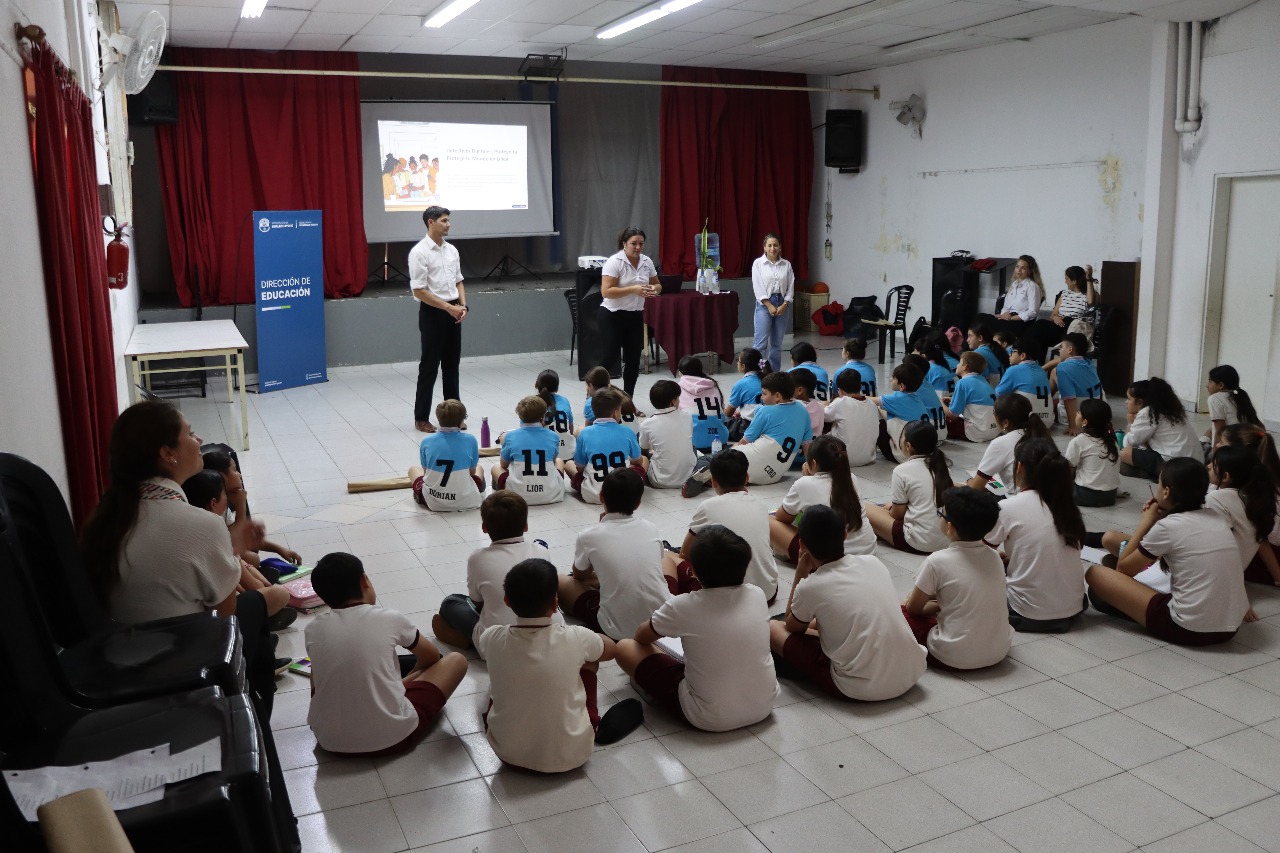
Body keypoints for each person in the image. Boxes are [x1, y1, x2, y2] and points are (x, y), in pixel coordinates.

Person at [79, 401, 288, 711]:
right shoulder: (197, 523)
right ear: (168, 453)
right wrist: (231, 553)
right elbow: (225, 617)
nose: (198, 440)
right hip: (181, 657)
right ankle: (252, 709)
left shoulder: (105, 516)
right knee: (261, 603)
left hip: (121, 657)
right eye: (190, 433)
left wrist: (228, 547)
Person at [479, 558, 642, 772]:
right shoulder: (576, 637)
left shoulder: (491, 637)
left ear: (507, 601)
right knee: (589, 660)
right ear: (556, 604)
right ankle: (591, 721)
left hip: (507, 754)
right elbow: (612, 649)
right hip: (573, 754)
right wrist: (591, 638)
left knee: (508, 674)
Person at [616, 525, 779, 731]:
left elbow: (641, 636)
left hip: (709, 717)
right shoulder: (756, 594)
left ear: (693, 571)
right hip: (765, 705)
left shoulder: (684, 605)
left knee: (625, 648)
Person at [305, 552, 467, 755]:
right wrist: (409, 679)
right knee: (455, 660)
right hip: (394, 737)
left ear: (323, 597)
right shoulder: (390, 618)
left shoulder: (313, 630)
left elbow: (317, 686)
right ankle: (394, 690)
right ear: (365, 581)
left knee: (328, 667)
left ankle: (390, 689)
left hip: (329, 740)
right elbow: (431, 657)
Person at [1085, 458, 1256, 646]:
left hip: (1190, 628)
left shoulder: (1168, 527)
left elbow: (1123, 569)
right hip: (1230, 628)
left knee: (1096, 577)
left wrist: (1146, 522)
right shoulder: (1216, 517)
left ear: (1166, 492)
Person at [769, 506, 926, 701]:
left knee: (773, 628)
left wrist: (800, 573)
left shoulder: (811, 586)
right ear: (844, 535)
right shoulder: (873, 563)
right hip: (912, 672)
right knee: (827, 621)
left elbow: (792, 626)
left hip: (861, 688)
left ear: (802, 545)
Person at [560, 469, 689, 639]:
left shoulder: (588, 536)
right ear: (638, 503)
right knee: (665, 559)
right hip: (662, 620)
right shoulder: (650, 528)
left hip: (617, 630)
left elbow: (579, 575)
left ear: (601, 496)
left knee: (561, 581)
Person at [431, 491, 557, 651]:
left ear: (484, 528)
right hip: (549, 637)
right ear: (526, 525)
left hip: (496, 643)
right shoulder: (541, 551)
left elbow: (477, 602)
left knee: (451, 602)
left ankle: (468, 640)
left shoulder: (478, 558)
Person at [903, 487, 1012, 670]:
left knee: (902, 613)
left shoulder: (936, 561)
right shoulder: (995, 557)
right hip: (999, 651)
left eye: (941, 514)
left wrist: (938, 604)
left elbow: (913, 609)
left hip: (952, 657)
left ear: (950, 527)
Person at [988, 439, 1087, 633]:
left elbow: (977, 553)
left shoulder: (1008, 507)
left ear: (1019, 468)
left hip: (1028, 613)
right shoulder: (1066, 505)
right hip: (1074, 608)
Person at [676, 449, 778, 603]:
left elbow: (685, 553)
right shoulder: (761, 505)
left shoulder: (708, 507)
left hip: (724, 599)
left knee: (671, 560)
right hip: (766, 594)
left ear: (713, 481)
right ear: (747, 477)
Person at [770, 434, 876, 561]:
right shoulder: (851, 478)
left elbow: (782, 518)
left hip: (826, 559)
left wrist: (807, 479)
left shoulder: (804, 484)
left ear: (813, 463)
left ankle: (781, 550)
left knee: (770, 521)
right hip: (867, 551)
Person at [409, 205, 467, 433]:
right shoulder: (419, 252)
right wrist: (448, 308)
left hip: (453, 310)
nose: (448, 224)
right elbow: (419, 290)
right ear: (430, 222)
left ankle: (454, 416)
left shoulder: (452, 250)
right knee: (429, 367)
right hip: (433, 313)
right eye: (444, 220)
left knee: (452, 366)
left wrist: (462, 306)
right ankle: (421, 417)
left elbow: (459, 281)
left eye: (448, 220)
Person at [865, 421, 953, 554]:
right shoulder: (944, 468)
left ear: (908, 446)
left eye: (901, 437)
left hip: (917, 542)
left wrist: (889, 509)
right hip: (946, 539)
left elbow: (897, 514)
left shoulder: (902, 471)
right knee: (888, 506)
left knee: (866, 508)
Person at [600, 226, 662, 399]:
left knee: (634, 361)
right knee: (609, 358)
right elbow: (606, 291)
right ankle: (594, 397)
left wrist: (653, 290)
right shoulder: (614, 262)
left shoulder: (646, 261)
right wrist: (634, 289)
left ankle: (628, 401)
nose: (638, 247)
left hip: (635, 315)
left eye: (641, 243)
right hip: (612, 315)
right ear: (624, 244)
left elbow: (658, 284)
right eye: (634, 243)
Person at [1219, 424, 1280, 585]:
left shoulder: (1248, 490)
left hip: (1269, 555)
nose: (1217, 446)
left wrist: (1277, 577)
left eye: (1223, 444)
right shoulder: (1267, 475)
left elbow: (1260, 538)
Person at [1206, 444, 1277, 581]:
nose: (1208, 466)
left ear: (1225, 476)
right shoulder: (1253, 498)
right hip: (1234, 574)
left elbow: (1213, 544)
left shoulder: (1217, 499)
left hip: (1214, 576)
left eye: (1213, 465)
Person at [966, 394, 1052, 495]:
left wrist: (968, 482)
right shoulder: (1040, 434)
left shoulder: (1000, 443)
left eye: (994, 412)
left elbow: (976, 487)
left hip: (1022, 499)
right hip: (1050, 497)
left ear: (1005, 422)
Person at [570, 389, 644, 504]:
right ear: (615, 412)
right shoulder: (627, 431)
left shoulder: (584, 433)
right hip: (624, 493)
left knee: (569, 465)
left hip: (594, 494)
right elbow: (638, 461)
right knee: (644, 461)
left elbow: (580, 468)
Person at [409, 399, 485, 512]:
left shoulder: (426, 442)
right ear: (461, 420)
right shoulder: (471, 440)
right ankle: (478, 490)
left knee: (413, 470)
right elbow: (472, 473)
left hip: (434, 501)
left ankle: (420, 496)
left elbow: (426, 473)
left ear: (438, 419)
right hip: (466, 499)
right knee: (479, 468)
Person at [1120, 377, 1202, 481]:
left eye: (1129, 399)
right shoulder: (1171, 410)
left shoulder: (1148, 412)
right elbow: (1147, 443)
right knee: (1126, 465)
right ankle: (1163, 476)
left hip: (1176, 465)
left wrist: (1130, 423)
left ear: (1140, 402)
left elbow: (1128, 444)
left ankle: (1164, 477)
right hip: (1196, 465)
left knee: (1124, 454)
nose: (1126, 402)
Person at [493, 396, 565, 505]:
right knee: (559, 461)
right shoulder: (553, 436)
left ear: (520, 416)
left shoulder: (510, 436)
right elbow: (553, 462)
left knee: (495, 467)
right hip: (551, 494)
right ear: (543, 416)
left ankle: (501, 488)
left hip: (517, 496)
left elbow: (503, 465)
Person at [639, 380, 696, 489]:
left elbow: (644, 451)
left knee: (642, 458)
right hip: (688, 477)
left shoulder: (646, 424)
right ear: (673, 401)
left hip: (658, 480)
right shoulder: (687, 417)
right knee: (698, 453)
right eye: (678, 398)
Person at [1066, 398, 1121, 507]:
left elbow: (1067, 469)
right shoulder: (1112, 441)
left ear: (1085, 422)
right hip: (1110, 496)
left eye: (1079, 412)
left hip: (1085, 495)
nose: (1076, 413)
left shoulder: (1079, 441)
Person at [752, 233, 794, 371]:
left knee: (776, 345)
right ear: (764, 247)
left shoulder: (786, 265)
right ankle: (759, 371)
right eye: (769, 245)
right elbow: (758, 287)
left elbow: (791, 286)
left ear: (780, 247)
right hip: (764, 305)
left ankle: (774, 373)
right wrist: (769, 305)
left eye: (775, 245)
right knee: (760, 344)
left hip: (782, 304)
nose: (772, 248)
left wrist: (785, 304)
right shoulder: (758, 264)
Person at [872, 362, 930, 462]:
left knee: (878, 418)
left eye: (893, 378)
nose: (890, 379)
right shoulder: (916, 398)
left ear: (902, 386)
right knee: (884, 410)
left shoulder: (898, 397)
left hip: (905, 455)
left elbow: (870, 400)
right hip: (923, 451)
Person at [823, 368, 881, 467]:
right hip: (868, 458)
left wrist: (824, 405)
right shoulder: (872, 404)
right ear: (860, 387)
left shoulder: (841, 402)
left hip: (843, 459)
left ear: (840, 391)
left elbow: (823, 417)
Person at [1051, 333, 1104, 434]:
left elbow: (1069, 399)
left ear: (1070, 349)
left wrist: (1073, 426)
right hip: (1095, 413)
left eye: (1061, 347)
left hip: (1079, 416)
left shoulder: (1062, 368)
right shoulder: (1089, 364)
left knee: (1049, 403)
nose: (1059, 350)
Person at [995, 338, 1053, 428]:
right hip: (1047, 422)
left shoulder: (1014, 370)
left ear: (1022, 356)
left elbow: (998, 395)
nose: (1009, 355)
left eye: (1012, 352)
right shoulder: (1041, 370)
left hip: (1027, 423)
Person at [944, 352, 999, 442]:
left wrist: (940, 403)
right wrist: (953, 399)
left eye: (960, 363)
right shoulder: (984, 381)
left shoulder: (963, 382)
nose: (957, 365)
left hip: (977, 433)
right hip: (994, 431)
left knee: (944, 422)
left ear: (965, 367)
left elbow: (953, 414)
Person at [677, 355, 726, 452]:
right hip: (721, 440)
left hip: (694, 444)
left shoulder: (678, 388)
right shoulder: (713, 385)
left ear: (680, 372)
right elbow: (722, 408)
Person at [1205, 364, 1262, 446]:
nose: (1207, 385)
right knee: (1209, 431)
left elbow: (1220, 430)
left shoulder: (1214, 398)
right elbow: (1260, 426)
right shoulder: (1239, 395)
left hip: (1232, 446)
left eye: (1210, 381)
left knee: (1207, 439)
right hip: (1248, 443)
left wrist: (1215, 451)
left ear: (1221, 385)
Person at [991, 254, 1044, 338]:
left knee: (984, 322)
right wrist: (1004, 315)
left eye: (1023, 268)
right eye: (1017, 266)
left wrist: (1012, 318)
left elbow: (1033, 312)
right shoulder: (1014, 284)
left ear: (1029, 271)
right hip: (1008, 319)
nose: (1019, 270)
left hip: (1021, 323)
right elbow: (1006, 307)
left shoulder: (1032, 287)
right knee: (982, 318)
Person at [723, 347, 765, 437]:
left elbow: (728, 413)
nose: (737, 363)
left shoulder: (741, 384)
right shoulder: (768, 378)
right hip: (767, 425)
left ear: (743, 366)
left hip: (748, 428)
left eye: (738, 361)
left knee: (720, 420)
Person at [536, 368, 576, 462]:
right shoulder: (564, 401)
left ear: (537, 385)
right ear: (557, 388)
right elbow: (570, 427)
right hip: (568, 453)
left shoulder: (532, 403)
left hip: (544, 455)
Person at [967, 319, 1008, 386]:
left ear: (980, 338)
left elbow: (980, 380)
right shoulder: (994, 349)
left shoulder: (977, 353)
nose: (967, 340)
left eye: (970, 336)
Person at [790, 367, 825, 438]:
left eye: (788, 387)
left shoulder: (793, 407)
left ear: (800, 391)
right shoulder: (820, 407)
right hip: (816, 444)